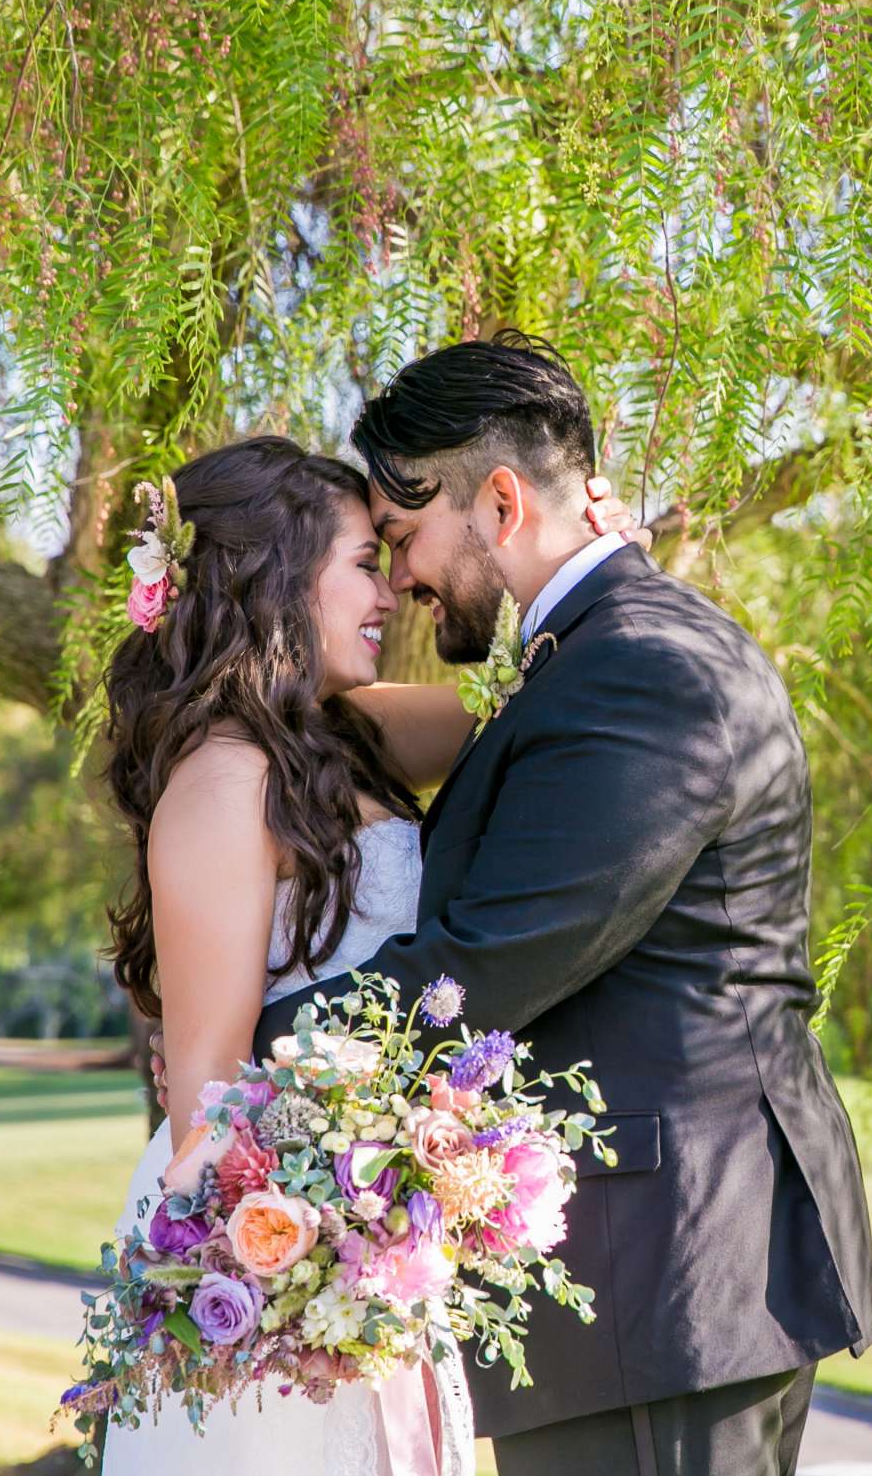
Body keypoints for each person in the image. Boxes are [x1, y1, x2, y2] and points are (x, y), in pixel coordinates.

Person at [249, 331, 872, 1476]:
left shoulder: (643, 671)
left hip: (673, 1270)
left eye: (403, 537)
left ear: (498, 501)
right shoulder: (596, 656)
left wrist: (254, 1049)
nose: (400, 579)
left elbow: (487, 965)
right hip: (650, 1284)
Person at [96, 433, 635, 1474]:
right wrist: (292, 1272)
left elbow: (512, 715)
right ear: (276, 579)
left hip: (368, 1226)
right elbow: (206, 1090)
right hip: (277, 1241)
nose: (392, 590)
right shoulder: (220, 784)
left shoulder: (343, 740)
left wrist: (596, 578)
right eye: (361, 561)